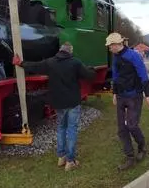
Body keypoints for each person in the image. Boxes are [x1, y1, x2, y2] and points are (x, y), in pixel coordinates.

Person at [12, 42, 95, 171]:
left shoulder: (50, 62)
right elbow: (89, 76)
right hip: (72, 102)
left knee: (61, 128)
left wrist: (20, 63)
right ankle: (70, 161)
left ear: (60, 51)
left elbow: (35, 66)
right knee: (71, 130)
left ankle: (61, 157)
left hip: (58, 102)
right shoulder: (75, 63)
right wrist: (92, 69)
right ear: (70, 51)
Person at [106, 32, 149, 171]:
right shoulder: (115, 57)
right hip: (121, 96)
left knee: (132, 125)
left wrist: (148, 95)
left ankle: (142, 146)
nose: (109, 48)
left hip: (134, 95)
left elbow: (143, 75)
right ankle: (130, 157)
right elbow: (115, 75)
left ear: (117, 44)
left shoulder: (133, 56)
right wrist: (114, 93)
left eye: (110, 45)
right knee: (121, 129)